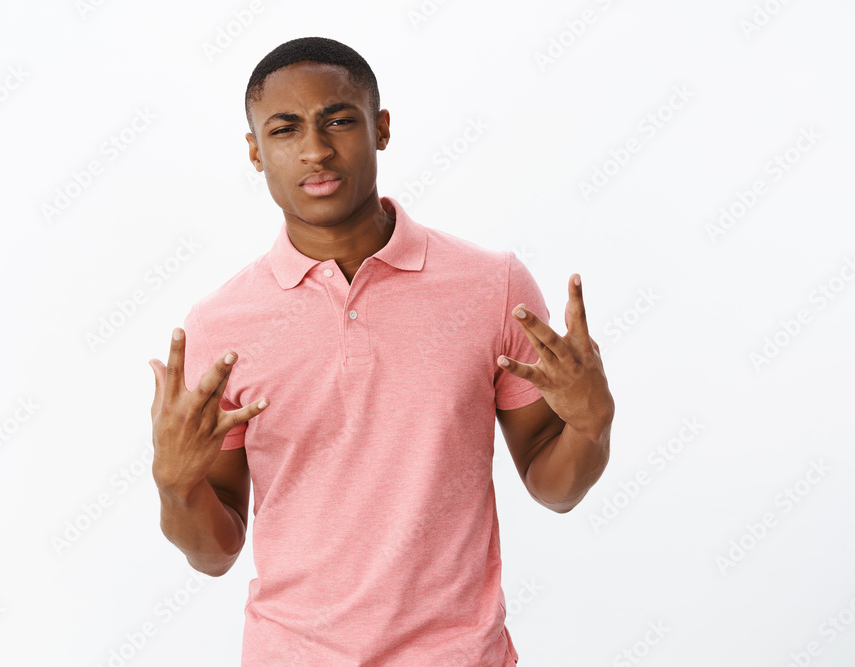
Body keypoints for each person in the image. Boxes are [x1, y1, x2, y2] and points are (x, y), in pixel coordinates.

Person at [147, 36, 614, 666]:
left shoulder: (492, 285)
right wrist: (174, 485)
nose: (316, 148)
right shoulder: (220, 324)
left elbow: (554, 487)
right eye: (285, 129)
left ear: (382, 129)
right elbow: (215, 552)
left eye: (339, 119)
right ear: (256, 152)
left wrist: (591, 425)